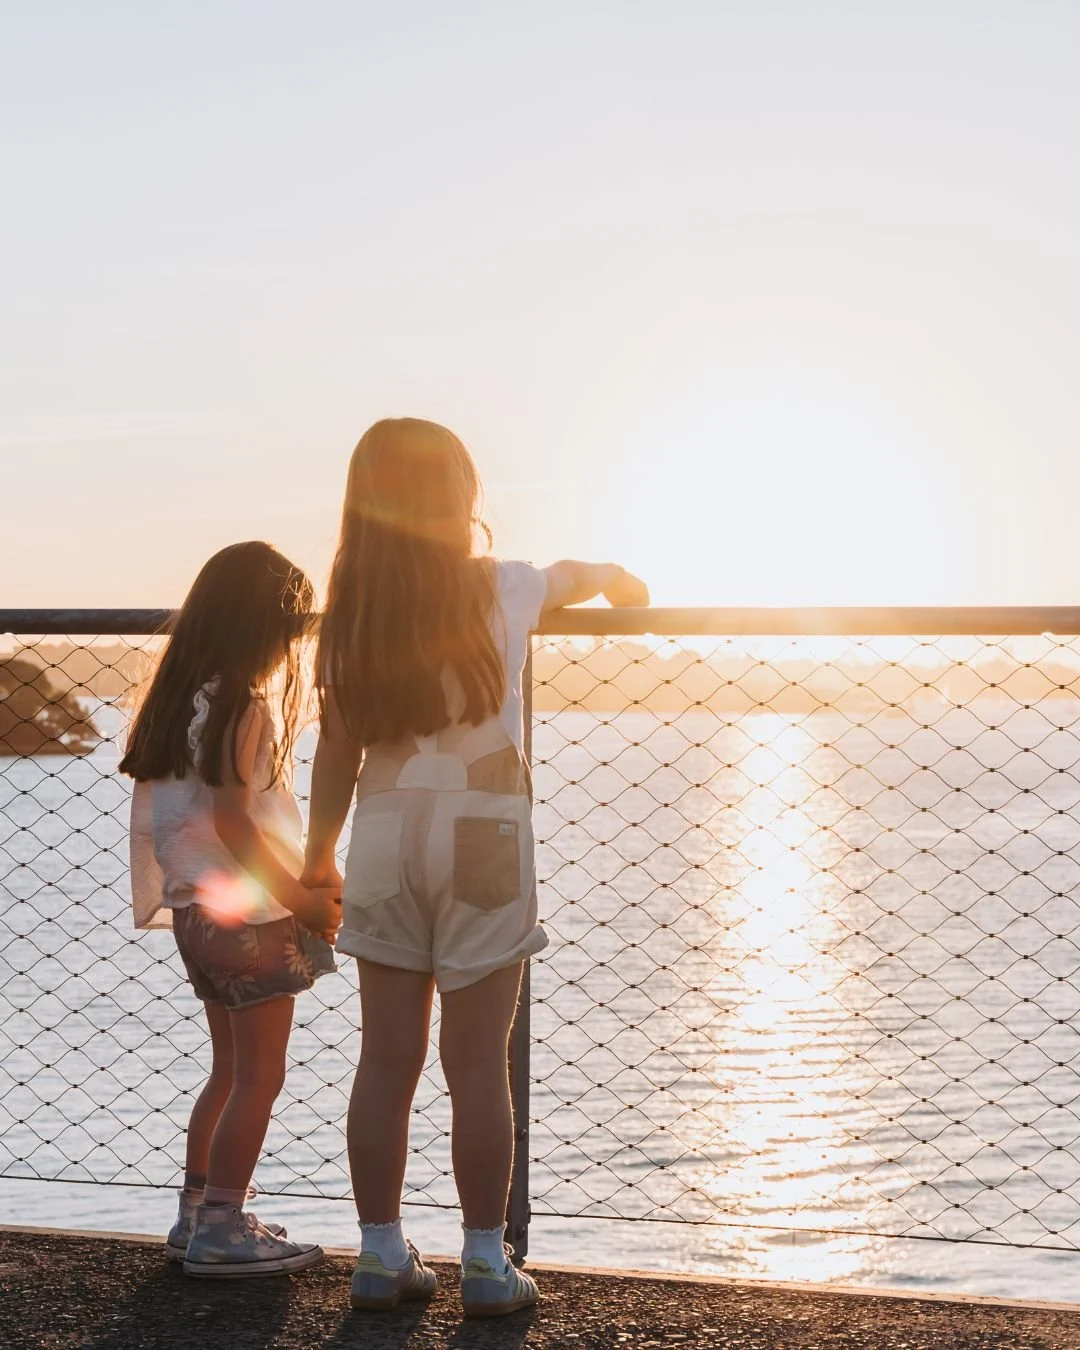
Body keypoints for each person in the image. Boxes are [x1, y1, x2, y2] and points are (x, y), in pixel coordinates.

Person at [303, 418, 648, 1315]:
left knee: (386, 1060)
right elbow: (583, 576)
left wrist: (315, 859)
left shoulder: (351, 615)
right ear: (461, 500)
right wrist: (618, 578)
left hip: (382, 832)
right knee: (477, 1065)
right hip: (484, 831)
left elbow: (336, 752)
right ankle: (488, 1265)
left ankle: (380, 1253)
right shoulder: (504, 587)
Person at [120, 541, 341, 1278]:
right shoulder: (242, 707)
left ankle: (196, 1212)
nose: (290, 650)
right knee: (260, 1077)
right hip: (248, 920)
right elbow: (239, 826)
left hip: (196, 916)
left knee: (226, 1069)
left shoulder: (182, 699)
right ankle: (222, 1223)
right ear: (262, 629)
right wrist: (301, 898)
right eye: (289, 631)